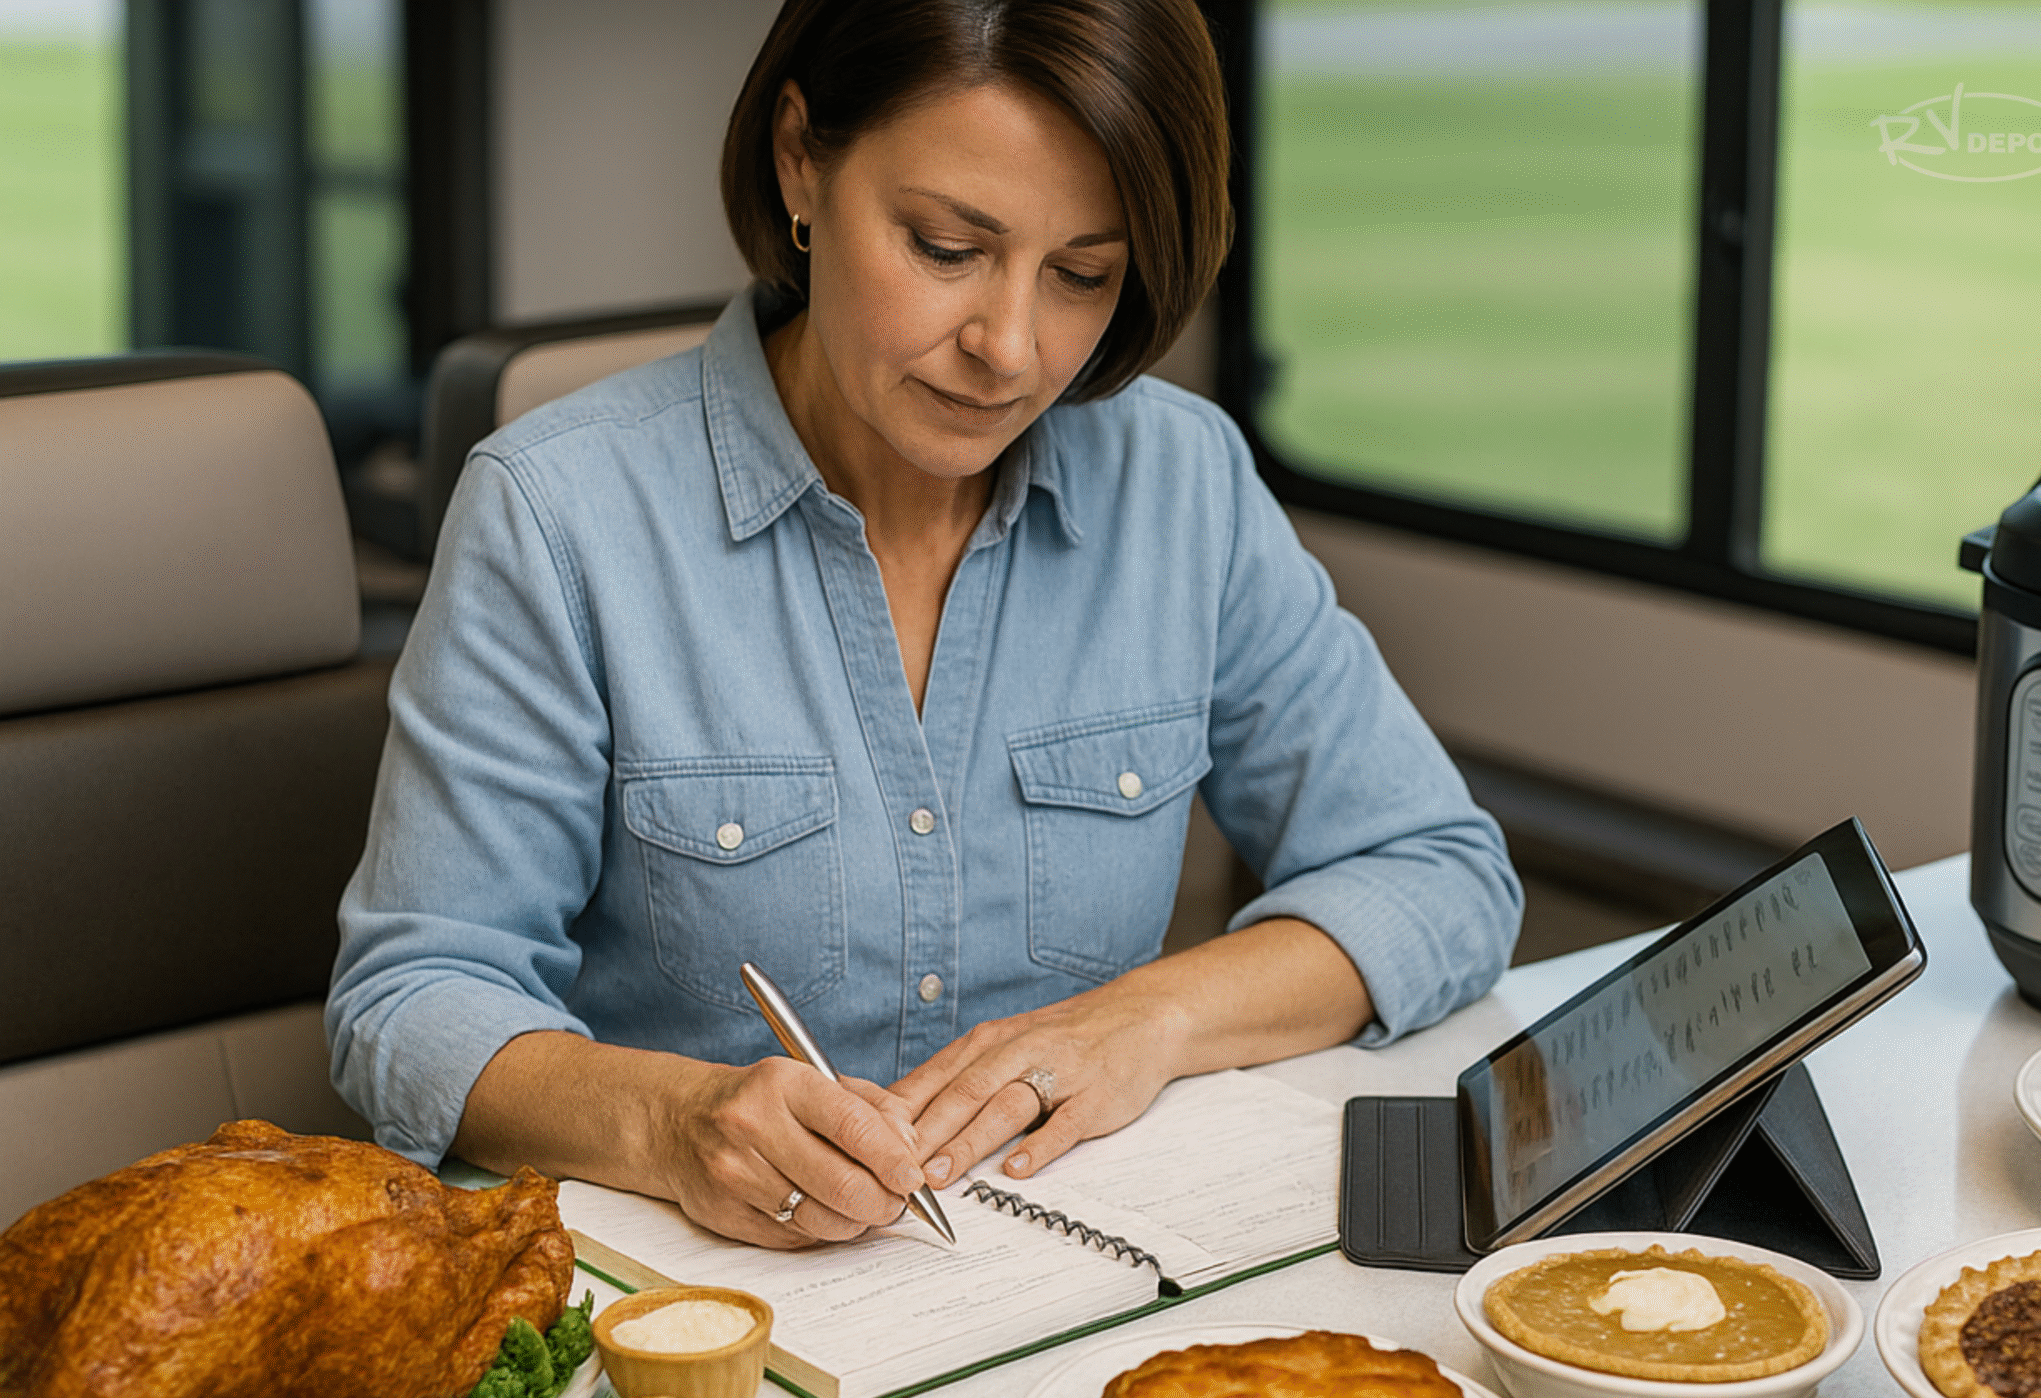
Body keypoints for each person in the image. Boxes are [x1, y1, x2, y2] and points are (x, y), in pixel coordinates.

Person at [326, 0, 1521, 1250]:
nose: (1009, 348)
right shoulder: (556, 513)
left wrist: (1147, 1019)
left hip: (1068, 1266)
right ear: (800, 160)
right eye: (948, 248)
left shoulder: (1184, 483)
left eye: (1082, 275)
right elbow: (413, 998)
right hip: (708, 1298)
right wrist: (674, 1123)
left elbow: (1435, 873)